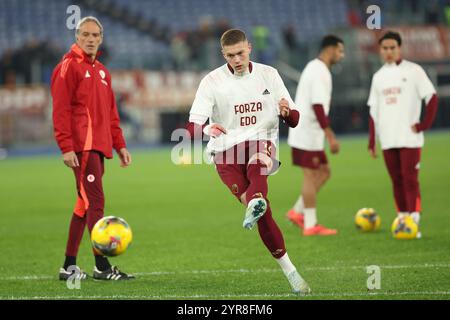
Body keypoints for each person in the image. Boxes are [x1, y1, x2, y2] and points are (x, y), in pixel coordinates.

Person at [186, 29, 311, 294]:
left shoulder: (269, 74)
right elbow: (192, 127)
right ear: (223, 54)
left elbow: (295, 118)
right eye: (231, 55)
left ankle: (256, 201)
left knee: (258, 162)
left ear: (249, 48)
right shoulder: (212, 81)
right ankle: (292, 272)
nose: (237, 59)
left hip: (260, 141)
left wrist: (287, 113)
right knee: (263, 212)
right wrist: (207, 129)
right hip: (225, 153)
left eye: (241, 53)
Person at [51, 16, 134, 280]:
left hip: (98, 148)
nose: (90, 39)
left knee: (83, 206)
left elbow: (111, 114)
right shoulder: (67, 67)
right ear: (77, 37)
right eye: (85, 34)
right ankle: (102, 267)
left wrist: (119, 144)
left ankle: (69, 266)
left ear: (101, 39)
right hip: (82, 149)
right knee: (95, 202)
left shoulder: (102, 72)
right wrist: (66, 146)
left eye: (95, 35)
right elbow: (61, 111)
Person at [367, 31, 438, 238]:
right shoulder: (378, 77)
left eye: (392, 48)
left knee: (410, 178)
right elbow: (373, 111)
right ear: (380, 51)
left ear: (399, 48)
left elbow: (431, 97)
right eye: (385, 48)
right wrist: (372, 141)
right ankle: (402, 216)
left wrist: (424, 124)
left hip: (410, 137)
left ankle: (414, 218)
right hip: (388, 139)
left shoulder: (414, 71)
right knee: (396, 179)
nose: (389, 52)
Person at [286, 35, 345, 236]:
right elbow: (318, 106)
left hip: (307, 131)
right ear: (329, 49)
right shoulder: (320, 72)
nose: (341, 55)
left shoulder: (314, 67)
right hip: (306, 132)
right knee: (310, 175)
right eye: (340, 51)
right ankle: (310, 225)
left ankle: (297, 211)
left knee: (324, 171)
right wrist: (330, 136)